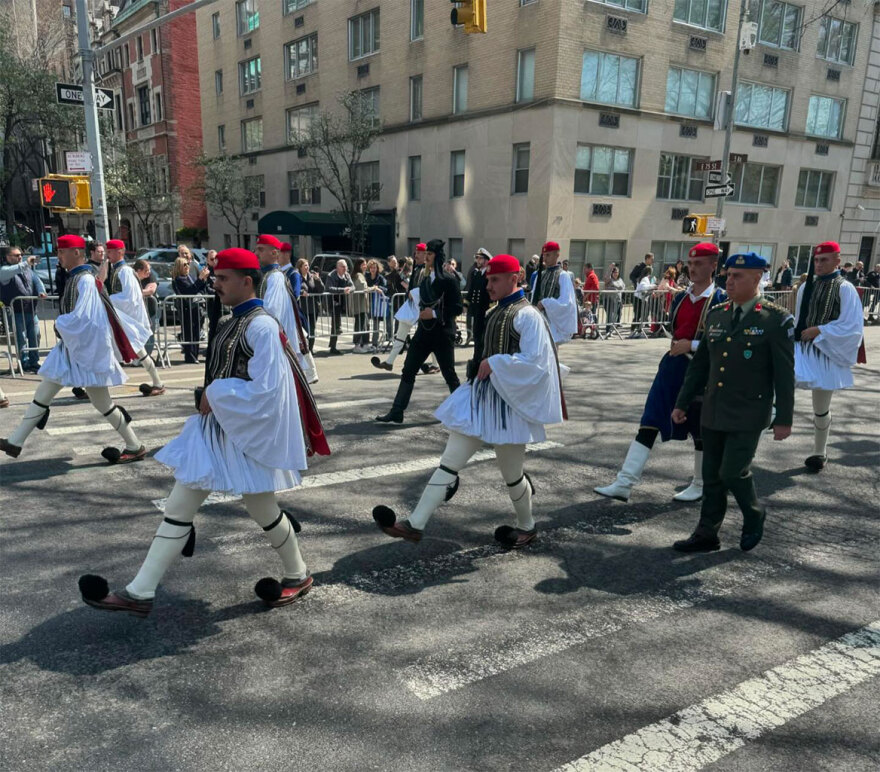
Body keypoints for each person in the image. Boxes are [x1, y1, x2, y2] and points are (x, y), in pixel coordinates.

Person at [77, 248, 330, 617]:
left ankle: (298, 573)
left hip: (244, 433)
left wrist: (217, 392)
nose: (215, 283)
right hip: (222, 431)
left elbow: (269, 391)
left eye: (223, 278)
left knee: (262, 510)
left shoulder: (260, 324)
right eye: (216, 277)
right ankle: (141, 590)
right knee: (183, 506)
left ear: (247, 282)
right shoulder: (234, 320)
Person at [372, 254, 564, 548]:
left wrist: (496, 362)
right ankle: (415, 524)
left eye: (494, 279)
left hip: (509, 408)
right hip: (482, 399)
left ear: (515, 278)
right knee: (450, 462)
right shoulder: (494, 312)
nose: (488, 285)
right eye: (487, 279)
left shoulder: (528, 315)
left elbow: (537, 363)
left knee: (512, 474)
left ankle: (527, 526)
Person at [671, 251, 795, 553]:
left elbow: (784, 374)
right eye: (728, 275)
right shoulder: (718, 314)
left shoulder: (775, 320)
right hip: (714, 409)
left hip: (749, 411)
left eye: (738, 276)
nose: (730, 280)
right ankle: (706, 533)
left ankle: (754, 513)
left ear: (758, 277)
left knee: (732, 472)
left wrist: (784, 418)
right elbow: (700, 366)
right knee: (711, 476)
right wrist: (682, 402)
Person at [595, 244, 727, 504]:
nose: (693, 268)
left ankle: (699, 483)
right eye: (691, 263)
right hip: (672, 367)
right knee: (651, 418)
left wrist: (692, 345)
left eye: (700, 263)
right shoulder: (680, 297)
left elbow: (725, 342)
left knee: (700, 427)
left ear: (713, 265)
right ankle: (624, 482)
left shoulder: (721, 299)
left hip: (701, 371)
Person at [0, 235, 146, 464]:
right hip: (75, 350)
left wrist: (60, 325)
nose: (58, 256)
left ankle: (135, 445)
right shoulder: (79, 278)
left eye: (61, 252)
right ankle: (16, 441)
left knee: (102, 403)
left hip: (85, 351)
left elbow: (85, 318)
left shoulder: (85, 280)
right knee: (45, 393)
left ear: (76, 253)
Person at [794, 241, 865, 472]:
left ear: (837, 260)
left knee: (820, 406)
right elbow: (798, 318)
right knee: (777, 385)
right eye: (816, 260)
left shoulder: (845, 288)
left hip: (826, 350)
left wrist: (821, 330)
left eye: (824, 260)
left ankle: (819, 451)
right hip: (802, 348)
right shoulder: (806, 287)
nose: (819, 264)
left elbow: (852, 325)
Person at [375, 239, 462, 424]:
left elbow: (457, 308)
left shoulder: (448, 280)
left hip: (442, 333)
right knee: (408, 370)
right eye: (427, 254)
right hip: (423, 332)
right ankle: (397, 411)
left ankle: (464, 411)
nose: (427, 257)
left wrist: (435, 313)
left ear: (437, 257)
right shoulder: (423, 277)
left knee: (449, 374)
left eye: (430, 255)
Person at [254, 234, 318, 384]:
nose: (256, 253)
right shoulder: (269, 275)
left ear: (274, 253)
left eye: (261, 249)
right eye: (256, 249)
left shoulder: (275, 276)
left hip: (277, 342)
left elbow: (271, 311)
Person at [104, 240, 165, 396]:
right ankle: (157, 383)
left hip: (127, 320)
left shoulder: (124, 271)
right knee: (138, 352)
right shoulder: (119, 270)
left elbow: (130, 297)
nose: (107, 254)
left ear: (120, 252)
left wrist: (107, 299)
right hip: (123, 318)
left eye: (110, 251)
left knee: (139, 352)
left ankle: (158, 383)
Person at [371, 244, 439, 375]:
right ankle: (389, 362)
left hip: (425, 306)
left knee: (428, 337)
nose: (416, 255)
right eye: (416, 252)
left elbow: (428, 288)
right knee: (401, 333)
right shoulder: (417, 268)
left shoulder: (429, 269)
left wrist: (413, 293)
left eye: (419, 253)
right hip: (413, 304)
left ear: (425, 255)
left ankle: (435, 364)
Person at [0, 245, 46, 373]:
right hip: (15, 312)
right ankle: (24, 363)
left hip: (31, 310)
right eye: (16, 255)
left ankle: (34, 361)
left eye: (21, 255)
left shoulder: (27, 270)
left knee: (35, 335)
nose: (20, 257)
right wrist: (26, 263)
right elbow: (14, 270)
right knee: (21, 337)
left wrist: (41, 291)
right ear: (7, 257)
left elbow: (37, 281)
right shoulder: (4, 270)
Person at [530, 241, 578, 345]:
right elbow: (533, 297)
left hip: (553, 324)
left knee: (552, 355)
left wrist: (545, 303)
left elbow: (566, 302)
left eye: (548, 255)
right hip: (540, 321)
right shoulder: (540, 275)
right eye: (544, 255)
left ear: (557, 255)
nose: (545, 258)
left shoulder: (563, 275)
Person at [172, 256, 209, 364]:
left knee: (196, 332)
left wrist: (203, 280)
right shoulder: (179, 279)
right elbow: (190, 291)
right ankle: (190, 356)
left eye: (188, 264)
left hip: (195, 308)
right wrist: (200, 279)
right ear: (179, 267)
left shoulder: (189, 277)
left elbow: (200, 288)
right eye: (184, 265)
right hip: (186, 309)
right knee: (190, 333)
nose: (187, 266)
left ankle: (195, 355)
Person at [464, 248, 491, 369]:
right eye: (477, 258)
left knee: (483, 336)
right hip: (476, 309)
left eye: (480, 258)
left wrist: (491, 307)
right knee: (476, 335)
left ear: (486, 260)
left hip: (484, 309)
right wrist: (465, 304)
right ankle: (477, 358)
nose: (477, 260)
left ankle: (481, 358)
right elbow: (471, 290)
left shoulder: (488, 275)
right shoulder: (476, 273)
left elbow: (491, 292)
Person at [325, 260, 353, 355]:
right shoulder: (331, 275)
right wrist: (342, 290)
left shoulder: (347, 275)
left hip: (342, 302)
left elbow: (352, 286)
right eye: (342, 267)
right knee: (334, 324)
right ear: (337, 267)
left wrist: (349, 289)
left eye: (345, 267)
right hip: (332, 302)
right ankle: (333, 346)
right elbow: (329, 288)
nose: (345, 269)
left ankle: (334, 343)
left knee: (336, 324)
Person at [134, 260, 160, 356]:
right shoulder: (132, 277)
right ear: (138, 270)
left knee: (149, 333)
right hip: (137, 311)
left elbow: (151, 290)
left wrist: (135, 292)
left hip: (151, 309)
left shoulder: (151, 276)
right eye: (146, 270)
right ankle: (138, 356)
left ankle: (146, 355)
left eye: (149, 270)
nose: (149, 272)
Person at [297, 258, 324, 352]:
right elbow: (293, 289)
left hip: (313, 308)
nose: (307, 267)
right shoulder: (297, 277)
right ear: (300, 267)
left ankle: (310, 349)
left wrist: (318, 280)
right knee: (304, 330)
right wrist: (301, 292)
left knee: (312, 329)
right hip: (302, 308)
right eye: (305, 265)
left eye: (308, 265)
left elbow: (321, 290)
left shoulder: (312, 277)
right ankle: (304, 348)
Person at [365, 258, 388, 352]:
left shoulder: (381, 277)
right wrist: (372, 288)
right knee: (365, 323)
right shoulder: (366, 276)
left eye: (374, 267)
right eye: (371, 268)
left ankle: (375, 343)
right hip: (366, 301)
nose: (373, 269)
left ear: (377, 268)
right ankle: (365, 342)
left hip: (376, 304)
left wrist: (377, 287)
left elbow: (385, 288)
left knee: (376, 324)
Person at [351, 258, 370, 353]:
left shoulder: (360, 275)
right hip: (359, 304)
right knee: (359, 324)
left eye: (366, 264)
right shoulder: (358, 275)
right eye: (363, 264)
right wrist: (373, 288)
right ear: (359, 266)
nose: (365, 266)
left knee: (364, 324)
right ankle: (357, 345)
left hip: (362, 304)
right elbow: (363, 287)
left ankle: (364, 344)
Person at [603, 265, 625, 334]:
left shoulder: (620, 280)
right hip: (609, 300)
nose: (616, 273)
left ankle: (611, 330)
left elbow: (623, 289)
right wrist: (610, 268)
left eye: (617, 272)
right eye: (614, 272)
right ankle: (608, 330)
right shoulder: (609, 280)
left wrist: (622, 301)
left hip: (618, 300)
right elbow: (606, 277)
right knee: (610, 316)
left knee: (615, 316)